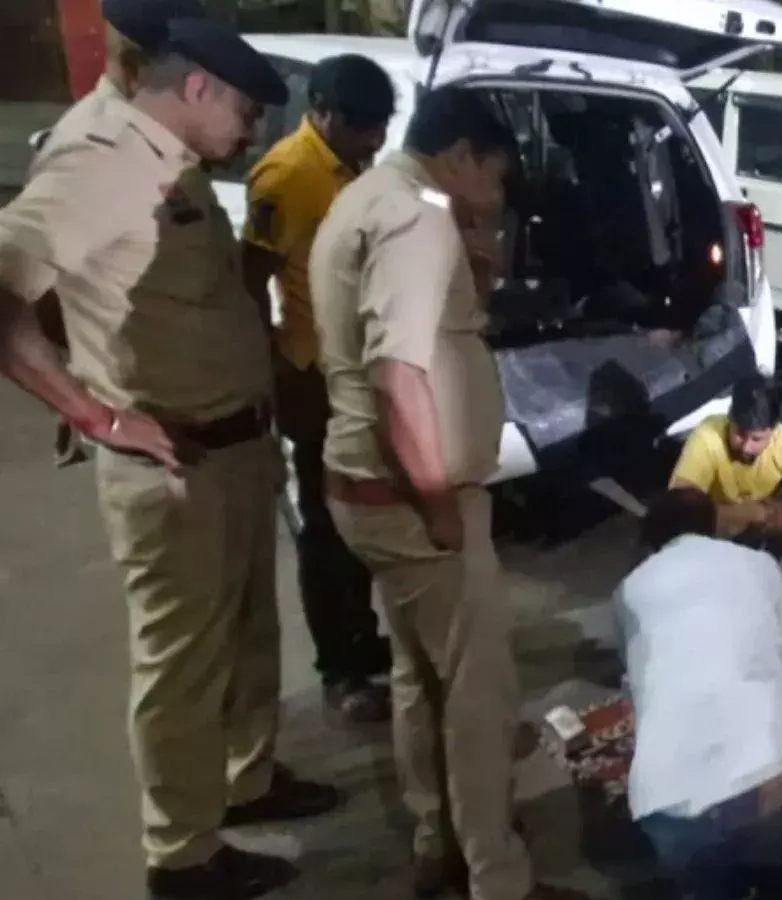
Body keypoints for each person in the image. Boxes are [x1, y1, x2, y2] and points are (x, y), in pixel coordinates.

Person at [0, 16, 342, 899]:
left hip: (236, 445)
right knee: (183, 666)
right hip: (175, 466)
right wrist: (95, 414)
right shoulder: (103, 162)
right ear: (196, 88)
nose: (254, 133)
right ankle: (182, 855)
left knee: (248, 633)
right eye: (246, 111)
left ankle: (245, 781)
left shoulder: (168, 153)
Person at [310, 85, 584, 900]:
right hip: (412, 501)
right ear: (462, 156)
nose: (495, 197)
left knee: (420, 678)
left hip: (368, 491)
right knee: (477, 697)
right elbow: (399, 376)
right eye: (494, 177)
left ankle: (440, 840)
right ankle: (497, 877)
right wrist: (437, 502)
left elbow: (420, 338)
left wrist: (478, 270)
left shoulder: (369, 197)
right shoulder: (415, 219)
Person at [240, 54, 396, 723]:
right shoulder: (287, 174)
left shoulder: (355, 165)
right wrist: (276, 370)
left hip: (360, 374)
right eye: (364, 127)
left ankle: (363, 637)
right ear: (323, 111)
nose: (376, 140)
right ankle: (340, 668)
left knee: (363, 517)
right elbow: (251, 280)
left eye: (382, 127)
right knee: (327, 529)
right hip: (313, 380)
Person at [617, 487, 782, 900]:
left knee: (706, 883)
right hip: (758, 796)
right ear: (711, 526)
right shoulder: (758, 565)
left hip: (666, 809)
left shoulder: (628, 589)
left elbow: (637, 683)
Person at [32, 0, 205, 468]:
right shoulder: (94, 149)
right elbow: (26, 292)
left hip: (214, 442)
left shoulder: (159, 132)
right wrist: (97, 415)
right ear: (135, 67)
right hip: (163, 453)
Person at [668, 375, 782, 557]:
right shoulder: (708, 435)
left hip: (755, 526)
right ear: (730, 420)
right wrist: (740, 513)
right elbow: (676, 506)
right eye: (740, 434)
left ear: (773, 432)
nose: (746, 447)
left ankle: (775, 564)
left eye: (757, 439)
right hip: (709, 527)